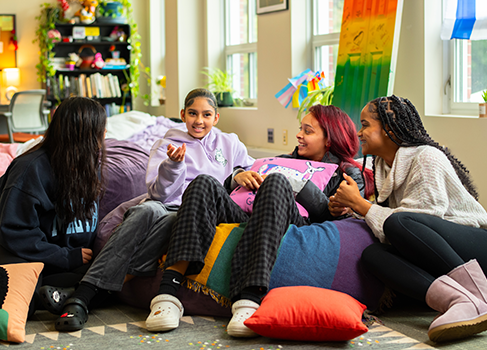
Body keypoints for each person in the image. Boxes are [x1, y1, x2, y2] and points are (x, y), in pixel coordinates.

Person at [145, 104, 374, 337]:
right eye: (300, 129)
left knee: (276, 181)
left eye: (308, 131)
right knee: (203, 182)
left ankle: (248, 299)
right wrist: (237, 177)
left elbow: (334, 217)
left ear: (329, 139)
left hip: (290, 221)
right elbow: (231, 192)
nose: (299, 135)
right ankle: (168, 294)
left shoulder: (347, 172)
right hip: (247, 214)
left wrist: (297, 184)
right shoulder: (283, 159)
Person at [53, 88, 255, 332]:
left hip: (196, 212)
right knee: (144, 212)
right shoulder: (166, 143)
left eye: (206, 115)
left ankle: (82, 294)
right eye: (192, 113)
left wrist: (238, 174)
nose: (199, 121)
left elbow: (250, 170)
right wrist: (173, 165)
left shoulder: (230, 142)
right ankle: (91, 293)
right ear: (182, 114)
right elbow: (158, 194)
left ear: (216, 117)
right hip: (165, 203)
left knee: (172, 223)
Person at [330, 95, 487, 343]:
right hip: (443, 256)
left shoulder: (426, 156)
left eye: (365, 125)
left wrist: (361, 205)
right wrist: (349, 208)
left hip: (478, 250)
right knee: (373, 255)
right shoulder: (383, 166)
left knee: (399, 223)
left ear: (389, 129)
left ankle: (481, 295)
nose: (359, 132)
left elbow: (417, 222)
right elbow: (400, 229)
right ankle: (458, 300)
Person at [0, 97, 107, 317]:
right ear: (84, 134)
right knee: (20, 305)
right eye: (101, 130)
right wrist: (65, 256)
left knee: (112, 276)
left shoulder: (88, 166)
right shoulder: (31, 169)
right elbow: (13, 232)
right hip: (21, 254)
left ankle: (66, 295)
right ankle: (63, 297)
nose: (105, 136)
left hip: (59, 261)